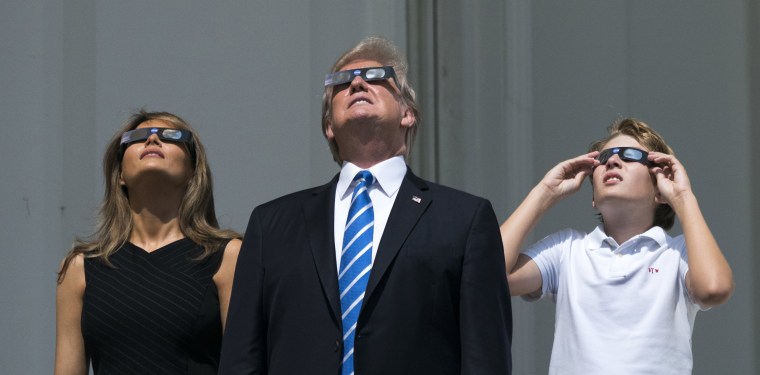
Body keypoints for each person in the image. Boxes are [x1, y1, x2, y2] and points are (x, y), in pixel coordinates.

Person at [219, 36, 513, 375]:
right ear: (328, 125)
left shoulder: (464, 220)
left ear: (408, 114)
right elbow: (242, 358)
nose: (357, 82)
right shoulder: (271, 225)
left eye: (376, 76)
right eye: (342, 82)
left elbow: (485, 358)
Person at [501, 118, 734, 373]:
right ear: (593, 197)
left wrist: (682, 197)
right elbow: (490, 274)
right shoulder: (566, 249)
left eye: (630, 155)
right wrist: (543, 193)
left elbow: (714, 288)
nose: (612, 161)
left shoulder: (677, 255)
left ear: (660, 189)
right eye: (603, 158)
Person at [55, 110, 241, 375]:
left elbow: (245, 364)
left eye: (171, 136)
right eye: (137, 137)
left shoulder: (227, 257)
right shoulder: (80, 268)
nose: (152, 139)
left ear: (192, 171)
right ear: (119, 174)